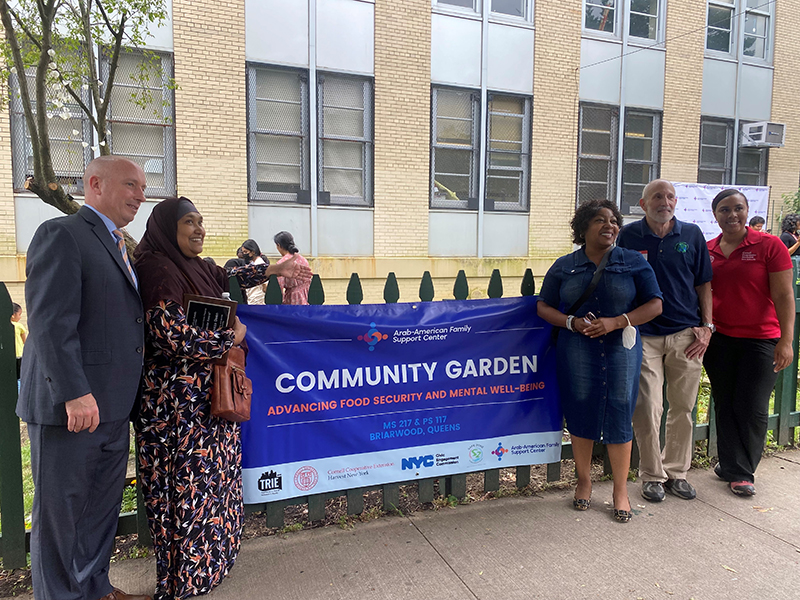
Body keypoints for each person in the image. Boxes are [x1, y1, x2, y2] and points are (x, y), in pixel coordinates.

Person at [133, 198, 310, 600]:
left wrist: (276, 268)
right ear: (166, 228)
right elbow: (169, 333)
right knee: (185, 490)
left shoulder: (194, 265)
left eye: (201, 221)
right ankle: (183, 579)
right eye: (189, 222)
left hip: (210, 400)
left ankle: (209, 568)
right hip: (176, 409)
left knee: (213, 486)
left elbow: (229, 273)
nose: (199, 229)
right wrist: (232, 338)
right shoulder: (158, 267)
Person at [16, 156, 150, 600]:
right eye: (131, 184)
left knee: (99, 513)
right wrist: (75, 394)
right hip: (71, 410)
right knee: (60, 521)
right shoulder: (63, 234)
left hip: (112, 409)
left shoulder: (118, 244)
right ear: (95, 184)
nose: (141, 195)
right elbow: (51, 323)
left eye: (143, 187)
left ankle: (94, 589)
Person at [537, 199, 662, 523]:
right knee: (579, 406)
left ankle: (620, 490)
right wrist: (571, 322)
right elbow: (544, 306)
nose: (609, 225)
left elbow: (654, 304)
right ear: (583, 228)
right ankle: (584, 481)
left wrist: (617, 321)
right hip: (576, 346)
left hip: (621, 346)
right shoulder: (565, 265)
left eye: (613, 221)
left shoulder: (632, 262)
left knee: (621, 407)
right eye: (599, 220)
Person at [617, 180, 713, 503]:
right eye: (658, 196)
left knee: (683, 407)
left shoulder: (691, 235)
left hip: (687, 335)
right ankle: (652, 476)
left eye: (670, 196)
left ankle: (677, 473)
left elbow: (704, 284)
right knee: (647, 406)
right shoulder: (629, 236)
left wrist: (707, 326)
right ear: (643, 204)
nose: (665, 201)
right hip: (645, 335)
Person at [704, 189, 795, 497]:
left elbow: (784, 295)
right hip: (720, 340)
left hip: (761, 340)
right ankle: (731, 465)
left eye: (738, 209)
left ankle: (743, 471)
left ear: (747, 211)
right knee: (725, 403)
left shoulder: (768, 245)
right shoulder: (708, 249)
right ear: (715, 214)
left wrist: (786, 340)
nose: (732, 215)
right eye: (725, 210)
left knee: (752, 406)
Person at [274, 231, 312, 305]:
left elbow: (279, 286)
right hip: (307, 294)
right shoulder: (302, 259)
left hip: (293, 297)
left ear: (279, 245)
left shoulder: (281, 264)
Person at [239, 239, 268, 304]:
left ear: (253, 252)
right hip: (252, 299)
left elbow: (265, 286)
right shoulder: (252, 264)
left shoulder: (260, 264)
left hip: (258, 300)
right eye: (243, 252)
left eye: (246, 252)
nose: (244, 254)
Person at [11, 302, 27, 380]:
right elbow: (25, 340)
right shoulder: (19, 326)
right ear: (13, 315)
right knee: (19, 375)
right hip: (19, 354)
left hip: (11, 355)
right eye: (19, 314)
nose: (20, 317)